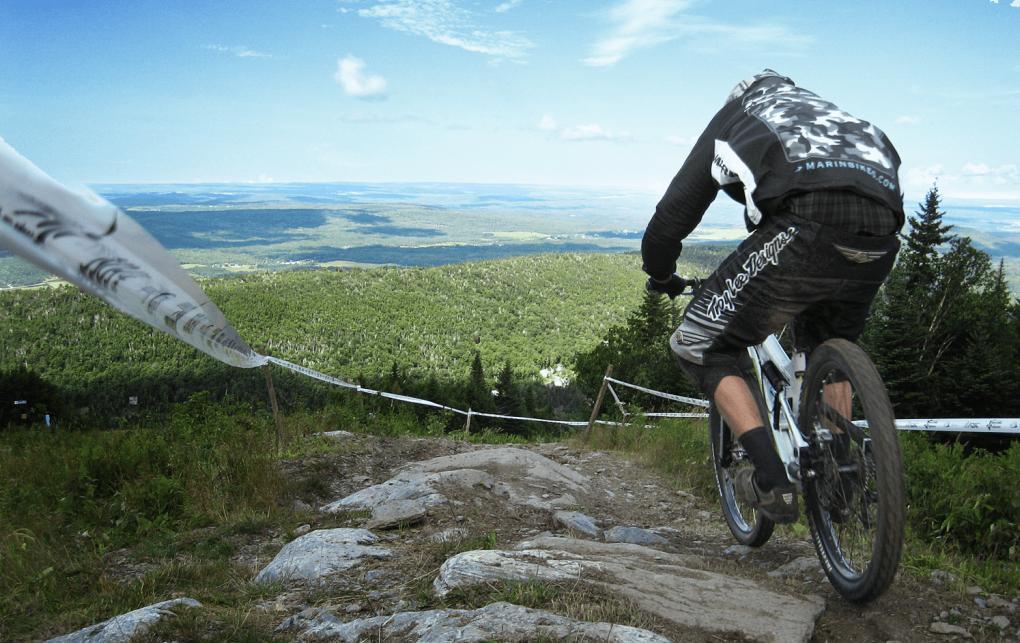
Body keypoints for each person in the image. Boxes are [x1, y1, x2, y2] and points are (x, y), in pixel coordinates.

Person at [642, 70, 904, 523]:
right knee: (826, 343)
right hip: (882, 232)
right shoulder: (832, 115)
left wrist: (661, 274)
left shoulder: (741, 113)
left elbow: (673, 213)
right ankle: (839, 476)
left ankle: (772, 480)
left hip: (804, 224)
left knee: (700, 342)